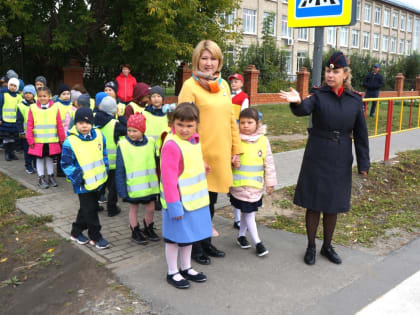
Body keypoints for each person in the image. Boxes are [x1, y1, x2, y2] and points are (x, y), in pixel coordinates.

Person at [279, 51, 370, 265]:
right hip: (317, 155)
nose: (330, 75)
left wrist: (363, 163)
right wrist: (296, 102)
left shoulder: (355, 100)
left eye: (335, 71)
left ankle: (327, 246)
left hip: (340, 156)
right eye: (328, 71)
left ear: (345, 74)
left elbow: (361, 134)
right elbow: (303, 109)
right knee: (314, 203)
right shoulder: (318, 95)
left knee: (333, 205)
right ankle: (311, 246)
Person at [178, 39, 242, 265]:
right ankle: (194, 248)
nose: (208, 63)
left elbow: (231, 120)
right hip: (199, 157)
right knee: (196, 204)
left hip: (220, 156)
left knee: (211, 203)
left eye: (213, 58)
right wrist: (193, 157)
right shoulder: (190, 86)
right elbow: (183, 126)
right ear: (197, 60)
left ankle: (206, 242)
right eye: (204, 58)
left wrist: (237, 150)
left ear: (219, 61)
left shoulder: (223, 85)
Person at [160, 102, 212, 289]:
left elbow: (188, 165)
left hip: (193, 201)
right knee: (174, 239)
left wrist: (203, 166)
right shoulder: (172, 145)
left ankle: (186, 267)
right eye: (180, 125)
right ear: (173, 123)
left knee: (188, 237)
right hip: (179, 203)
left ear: (197, 124)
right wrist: (174, 205)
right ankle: (172, 271)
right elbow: (168, 179)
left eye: (189, 125)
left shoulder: (194, 140)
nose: (184, 129)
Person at [61, 107, 110, 249]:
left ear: (92, 123)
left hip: (98, 181)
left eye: (87, 123)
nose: (84, 125)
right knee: (91, 211)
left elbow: (104, 155)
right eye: (81, 122)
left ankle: (75, 232)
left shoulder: (100, 136)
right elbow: (66, 164)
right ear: (75, 123)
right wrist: (78, 177)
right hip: (82, 183)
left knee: (87, 208)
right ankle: (96, 237)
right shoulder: (70, 142)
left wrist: (105, 171)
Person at [230, 108, 277, 257]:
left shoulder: (263, 140)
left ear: (257, 123)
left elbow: (268, 162)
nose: (245, 125)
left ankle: (241, 236)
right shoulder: (235, 139)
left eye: (249, 122)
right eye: (242, 122)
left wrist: (270, 182)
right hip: (239, 185)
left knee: (247, 212)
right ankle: (257, 242)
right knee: (248, 213)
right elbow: (228, 157)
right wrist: (232, 161)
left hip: (256, 186)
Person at [116, 113, 160, 244]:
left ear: (142, 130)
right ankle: (135, 230)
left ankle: (148, 227)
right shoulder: (123, 145)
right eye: (129, 130)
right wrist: (121, 189)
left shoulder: (151, 143)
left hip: (150, 186)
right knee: (133, 209)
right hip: (133, 187)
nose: (131, 133)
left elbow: (157, 163)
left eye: (135, 131)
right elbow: (120, 170)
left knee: (151, 208)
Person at [26, 87, 66, 188]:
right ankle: (41, 178)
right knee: (39, 160)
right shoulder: (33, 108)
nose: (42, 98)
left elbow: (59, 125)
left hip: (51, 141)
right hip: (38, 141)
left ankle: (51, 176)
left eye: (44, 96)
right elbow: (29, 125)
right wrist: (30, 139)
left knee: (49, 159)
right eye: (39, 96)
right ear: (37, 97)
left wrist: (62, 139)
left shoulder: (55, 108)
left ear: (49, 96)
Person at [94, 95, 127, 217]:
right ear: (114, 110)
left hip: (98, 160)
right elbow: (128, 128)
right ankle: (112, 208)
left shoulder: (94, 119)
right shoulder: (115, 124)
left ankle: (94, 206)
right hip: (112, 163)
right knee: (112, 188)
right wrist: (121, 116)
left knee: (99, 185)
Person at [228, 73, 249, 229]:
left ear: (241, 83)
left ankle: (240, 219)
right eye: (232, 82)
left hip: (238, 134)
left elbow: (245, 115)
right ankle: (236, 218)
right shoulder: (227, 96)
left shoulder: (243, 98)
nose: (233, 84)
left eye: (236, 81)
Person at [0, 77, 22, 161]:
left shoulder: (19, 97)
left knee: (14, 139)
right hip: (5, 121)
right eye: (11, 85)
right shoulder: (3, 95)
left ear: (17, 87)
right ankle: (7, 153)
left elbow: (21, 110)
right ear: (8, 85)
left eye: (14, 86)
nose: (12, 87)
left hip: (15, 122)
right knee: (6, 139)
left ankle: (12, 153)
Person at [17, 84, 37, 173]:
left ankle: (36, 165)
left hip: (36, 133)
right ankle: (28, 166)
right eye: (26, 93)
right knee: (28, 151)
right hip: (26, 134)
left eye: (30, 93)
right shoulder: (21, 106)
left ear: (34, 94)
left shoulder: (38, 105)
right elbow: (19, 121)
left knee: (36, 150)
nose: (28, 95)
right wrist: (21, 132)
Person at [54, 84, 73, 177]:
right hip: (60, 134)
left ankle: (68, 170)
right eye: (64, 94)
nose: (66, 96)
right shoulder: (56, 105)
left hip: (70, 134)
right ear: (59, 96)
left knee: (69, 154)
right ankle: (60, 171)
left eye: (68, 94)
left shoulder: (72, 105)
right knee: (60, 154)